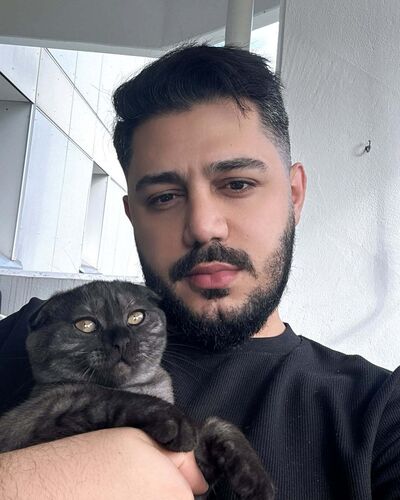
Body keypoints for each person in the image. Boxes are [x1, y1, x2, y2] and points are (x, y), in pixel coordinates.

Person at [0, 44, 400, 499]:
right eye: (165, 197)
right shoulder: (29, 337)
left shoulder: (379, 414)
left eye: (237, 184)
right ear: (133, 216)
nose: (203, 226)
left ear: (294, 195)